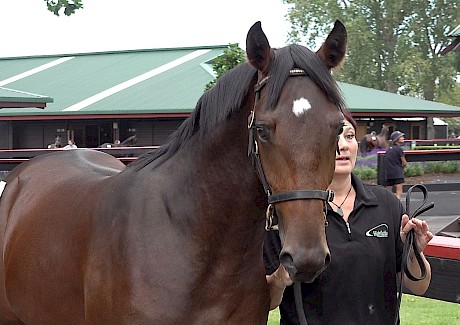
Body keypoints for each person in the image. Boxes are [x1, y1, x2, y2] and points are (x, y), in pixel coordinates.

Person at [264, 110, 433, 324]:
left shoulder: (386, 203)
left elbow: (419, 285)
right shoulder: (287, 211)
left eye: (350, 136)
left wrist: (415, 252)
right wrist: (280, 279)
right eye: (332, 137)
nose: (342, 145)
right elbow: (265, 301)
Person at [385, 131, 407, 199]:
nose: (403, 138)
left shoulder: (389, 149)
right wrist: (403, 168)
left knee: (389, 193)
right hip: (398, 173)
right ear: (397, 139)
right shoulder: (399, 149)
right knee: (399, 192)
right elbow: (404, 162)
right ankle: (397, 206)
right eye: (401, 137)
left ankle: (390, 206)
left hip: (389, 174)